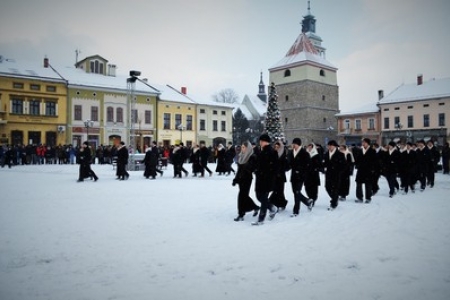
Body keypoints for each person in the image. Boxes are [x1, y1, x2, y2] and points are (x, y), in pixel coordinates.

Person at [252, 134, 278, 225]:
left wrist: (268, 173)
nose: (260, 142)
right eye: (260, 141)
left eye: (262, 141)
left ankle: (261, 219)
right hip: (260, 178)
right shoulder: (259, 150)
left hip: (267, 179)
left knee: (263, 198)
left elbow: (274, 166)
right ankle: (272, 208)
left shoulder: (271, 151)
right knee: (259, 196)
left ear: (266, 142)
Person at [232, 141, 260, 221]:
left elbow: (252, 169)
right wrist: (235, 179)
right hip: (241, 179)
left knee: (241, 196)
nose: (242, 149)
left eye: (244, 147)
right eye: (242, 147)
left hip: (247, 179)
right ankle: (255, 207)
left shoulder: (252, 156)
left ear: (248, 148)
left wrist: (246, 166)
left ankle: (241, 214)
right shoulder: (241, 156)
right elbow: (239, 170)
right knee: (244, 196)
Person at [287, 138, 313, 217]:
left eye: (295, 144)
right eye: (293, 144)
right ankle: (307, 201)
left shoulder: (304, 153)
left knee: (297, 192)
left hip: (301, 177)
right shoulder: (291, 153)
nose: (293, 145)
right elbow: (289, 164)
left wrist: (301, 171)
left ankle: (296, 211)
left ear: (299, 144)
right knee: (295, 192)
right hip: (293, 176)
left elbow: (308, 165)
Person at [322, 140, 346, 210]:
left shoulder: (340, 154)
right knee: (327, 187)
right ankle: (335, 198)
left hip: (336, 174)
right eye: (328, 145)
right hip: (328, 174)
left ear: (334, 146)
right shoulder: (326, 154)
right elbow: (324, 163)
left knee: (335, 189)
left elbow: (344, 165)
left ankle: (334, 203)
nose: (329, 147)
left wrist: (338, 171)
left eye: (330, 145)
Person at [354, 138, 377, 203]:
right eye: (362, 142)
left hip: (368, 170)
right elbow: (357, 160)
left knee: (368, 184)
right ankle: (359, 197)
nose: (363, 143)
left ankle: (368, 198)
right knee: (358, 184)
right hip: (360, 170)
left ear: (368, 143)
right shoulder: (360, 150)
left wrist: (372, 169)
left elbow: (375, 161)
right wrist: (357, 164)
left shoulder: (372, 151)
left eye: (364, 142)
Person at [269, 140, 289, 211]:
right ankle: (282, 203)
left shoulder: (283, 155)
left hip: (281, 176)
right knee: (277, 190)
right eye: (275, 146)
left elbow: (286, 166)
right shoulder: (273, 154)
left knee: (279, 190)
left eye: (278, 147)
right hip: (274, 176)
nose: (276, 148)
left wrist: (281, 169)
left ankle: (273, 203)